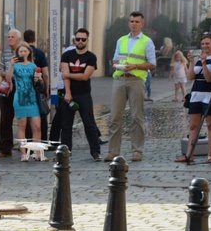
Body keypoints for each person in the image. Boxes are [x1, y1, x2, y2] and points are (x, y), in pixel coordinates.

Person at [104, 11, 156, 162]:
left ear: (142, 24)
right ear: (129, 23)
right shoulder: (121, 40)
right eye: (132, 21)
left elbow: (152, 64)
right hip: (119, 79)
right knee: (114, 117)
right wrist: (117, 65)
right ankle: (113, 151)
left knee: (136, 117)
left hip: (136, 80)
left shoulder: (147, 41)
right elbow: (114, 60)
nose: (133, 24)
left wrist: (135, 66)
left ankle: (137, 150)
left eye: (137, 21)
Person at [174, 34, 211, 163]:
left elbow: (209, 78)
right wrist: (191, 62)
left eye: (207, 43)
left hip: (210, 94)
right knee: (193, 126)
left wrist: (205, 64)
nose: (205, 46)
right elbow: (190, 77)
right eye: (203, 44)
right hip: (197, 94)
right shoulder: (198, 59)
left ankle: (210, 155)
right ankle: (189, 155)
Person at [60, 28, 101, 161]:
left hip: (84, 94)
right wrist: (68, 92)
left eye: (83, 39)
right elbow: (64, 76)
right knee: (66, 125)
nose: (80, 41)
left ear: (87, 40)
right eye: (78, 39)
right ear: (74, 40)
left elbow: (85, 76)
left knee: (89, 124)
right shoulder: (67, 55)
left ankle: (95, 152)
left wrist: (68, 74)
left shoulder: (91, 57)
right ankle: (65, 152)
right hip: (69, 94)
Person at [13, 42, 45, 161]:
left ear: (29, 52)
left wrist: (39, 79)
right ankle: (23, 153)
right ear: (18, 53)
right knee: (22, 126)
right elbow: (7, 77)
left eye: (25, 51)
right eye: (20, 51)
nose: (23, 53)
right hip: (20, 98)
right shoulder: (15, 66)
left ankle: (38, 153)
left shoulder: (33, 66)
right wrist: (11, 65)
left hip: (32, 99)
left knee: (37, 126)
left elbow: (38, 83)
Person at [0, 29, 22, 157]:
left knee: (23, 118)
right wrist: (5, 73)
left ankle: (26, 147)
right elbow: (0, 69)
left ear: (19, 39)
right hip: (8, 88)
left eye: (12, 37)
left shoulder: (23, 51)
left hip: (20, 87)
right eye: (8, 37)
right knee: (5, 118)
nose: (10, 39)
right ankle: (5, 148)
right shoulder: (6, 53)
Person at [23, 29, 50, 140]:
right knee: (41, 114)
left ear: (24, 39)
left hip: (24, 88)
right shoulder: (39, 53)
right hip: (37, 87)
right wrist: (46, 88)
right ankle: (42, 140)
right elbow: (46, 74)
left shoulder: (22, 52)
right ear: (34, 39)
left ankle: (27, 139)